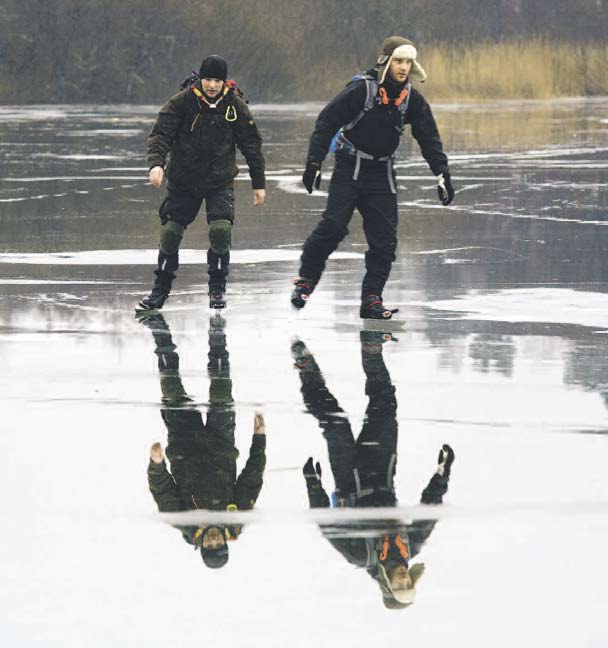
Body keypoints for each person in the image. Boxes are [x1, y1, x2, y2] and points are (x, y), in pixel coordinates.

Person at [291, 36, 454, 319]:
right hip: (350, 166)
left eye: (408, 62)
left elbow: (429, 137)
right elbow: (326, 122)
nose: (404, 67)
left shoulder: (411, 99)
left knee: (385, 241)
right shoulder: (361, 90)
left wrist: (442, 173)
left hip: (382, 174)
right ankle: (306, 279)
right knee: (333, 225)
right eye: (399, 61)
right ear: (387, 61)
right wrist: (314, 163)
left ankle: (372, 299)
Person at [291, 331, 455, 608]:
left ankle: (307, 369)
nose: (403, 579)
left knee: (335, 423)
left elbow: (327, 525)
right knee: (385, 407)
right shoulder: (410, 546)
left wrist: (313, 484)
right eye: (408, 583)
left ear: (387, 585)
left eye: (398, 586)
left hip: (349, 480)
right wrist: (442, 472)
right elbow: (430, 510)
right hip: (381, 470)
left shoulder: (360, 556)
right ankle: (372, 351)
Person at [139, 54, 266, 312]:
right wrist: (156, 164)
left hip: (219, 180)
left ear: (224, 82)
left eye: (217, 81)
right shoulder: (182, 102)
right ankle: (160, 291)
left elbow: (251, 145)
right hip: (184, 179)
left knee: (221, 230)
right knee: (171, 232)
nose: (211, 85)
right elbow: (161, 134)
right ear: (201, 79)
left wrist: (258, 182)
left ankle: (217, 288)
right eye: (208, 79)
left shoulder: (234, 105)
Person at [142, 313, 267, 569]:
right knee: (221, 388)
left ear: (201, 546)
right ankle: (217, 333)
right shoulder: (237, 517)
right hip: (221, 440)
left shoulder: (181, 521)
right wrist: (259, 437)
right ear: (225, 542)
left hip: (183, 444)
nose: (213, 540)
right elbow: (252, 476)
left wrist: (156, 463)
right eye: (218, 545)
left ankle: (160, 333)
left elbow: (161, 489)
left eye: (209, 546)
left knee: (171, 389)